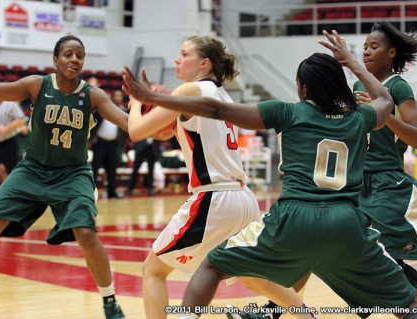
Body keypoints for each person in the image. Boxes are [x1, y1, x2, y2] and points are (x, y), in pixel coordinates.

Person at [122, 30, 417, 318]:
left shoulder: (287, 112)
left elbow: (215, 110)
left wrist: (156, 98)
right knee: (409, 306)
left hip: (293, 216)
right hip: (347, 220)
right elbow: (386, 101)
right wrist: (351, 63)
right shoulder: (358, 117)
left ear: (303, 87)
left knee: (211, 268)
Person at [125, 35, 311, 319]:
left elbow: (136, 132)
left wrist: (137, 102)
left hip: (214, 197)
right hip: (243, 198)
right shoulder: (222, 96)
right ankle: (308, 315)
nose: (177, 59)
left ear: (204, 63)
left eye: (184, 53)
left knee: (153, 270)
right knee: (252, 275)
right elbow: (183, 135)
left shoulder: (189, 90)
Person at [0, 35, 127, 319]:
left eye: (79, 55)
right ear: (55, 60)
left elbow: (125, 121)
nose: (74, 59)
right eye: (68, 54)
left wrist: (157, 116)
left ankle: (110, 302)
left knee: (85, 232)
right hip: (33, 169)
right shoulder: (38, 84)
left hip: (73, 174)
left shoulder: (93, 95)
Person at [353, 21, 417, 316]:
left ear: (391, 53)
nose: (366, 51)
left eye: (374, 47)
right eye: (364, 47)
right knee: (354, 249)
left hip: (388, 183)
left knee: (384, 256)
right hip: (358, 182)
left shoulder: (397, 86)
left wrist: (385, 113)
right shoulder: (357, 86)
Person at [89, 81, 125, 199]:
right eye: (116, 96)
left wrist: (122, 144)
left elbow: (123, 130)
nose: (118, 98)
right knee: (95, 168)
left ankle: (112, 192)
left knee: (112, 169)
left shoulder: (121, 111)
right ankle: (89, 192)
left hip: (113, 144)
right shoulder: (101, 109)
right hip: (100, 143)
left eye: (120, 96)